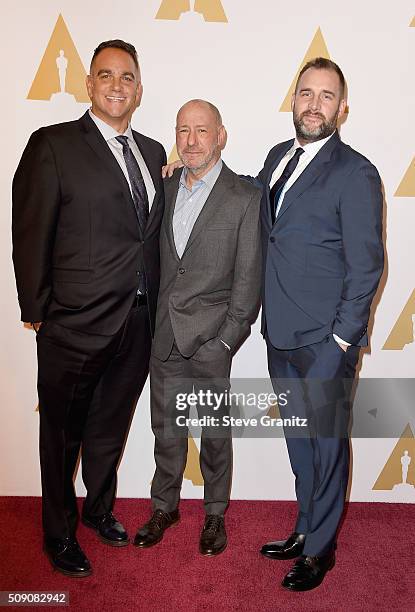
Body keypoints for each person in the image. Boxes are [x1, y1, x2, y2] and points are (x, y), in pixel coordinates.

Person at [12, 39, 166, 577]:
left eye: (127, 76)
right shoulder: (52, 145)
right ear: (89, 85)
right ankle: (58, 534)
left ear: (139, 88)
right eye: (106, 75)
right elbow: (30, 229)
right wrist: (38, 308)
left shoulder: (150, 153)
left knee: (109, 428)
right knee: (61, 436)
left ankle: (99, 510)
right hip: (73, 325)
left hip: (138, 323)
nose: (117, 85)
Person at [255, 58, 384, 591]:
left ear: (342, 108)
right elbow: (257, 210)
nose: (313, 104)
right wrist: (195, 168)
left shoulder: (356, 172)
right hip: (279, 333)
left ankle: (322, 550)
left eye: (326, 96)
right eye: (305, 93)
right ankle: (305, 527)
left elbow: (367, 265)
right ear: (293, 100)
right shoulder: (275, 159)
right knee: (299, 443)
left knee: (327, 446)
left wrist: (340, 340)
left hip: (325, 342)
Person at [134, 99, 261, 556]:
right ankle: (163, 507)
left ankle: (214, 515)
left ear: (220, 136)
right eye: (183, 130)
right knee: (166, 432)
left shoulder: (244, 197)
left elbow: (248, 281)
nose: (191, 140)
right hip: (165, 337)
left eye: (201, 130)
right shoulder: (165, 188)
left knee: (214, 437)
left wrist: (226, 339)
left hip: (211, 340)